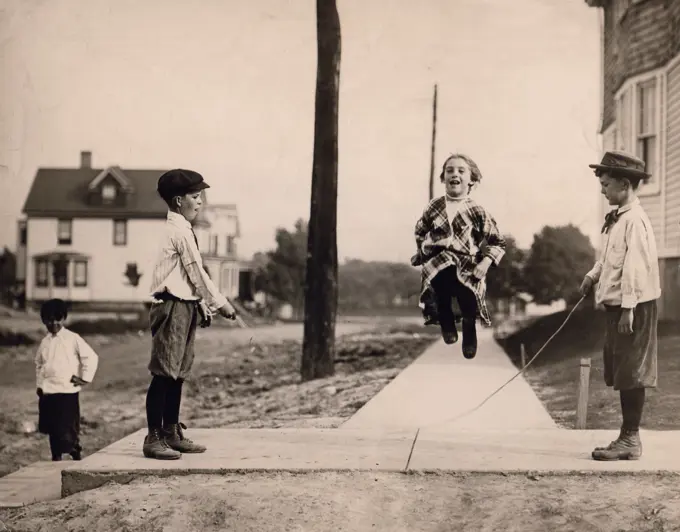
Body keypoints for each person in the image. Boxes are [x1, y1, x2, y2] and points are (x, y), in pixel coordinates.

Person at [143, 168, 238, 460]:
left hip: (184, 305)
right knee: (164, 372)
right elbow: (197, 272)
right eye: (196, 197)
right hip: (170, 306)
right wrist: (220, 302)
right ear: (177, 200)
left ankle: (171, 432)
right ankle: (153, 436)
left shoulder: (185, 228)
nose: (201, 203)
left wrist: (200, 305)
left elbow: (188, 279)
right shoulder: (177, 231)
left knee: (178, 373)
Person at [580, 150, 661, 461]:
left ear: (624, 184)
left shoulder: (635, 221)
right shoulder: (620, 219)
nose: (602, 189)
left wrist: (628, 308)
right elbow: (610, 258)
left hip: (635, 306)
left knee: (632, 371)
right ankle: (628, 437)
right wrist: (592, 276)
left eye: (606, 184)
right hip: (622, 306)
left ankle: (630, 439)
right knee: (620, 369)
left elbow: (635, 268)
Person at [412, 153, 506, 358]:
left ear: (471, 180)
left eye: (461, 171)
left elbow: (497, 241)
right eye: (450, 170)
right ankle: (446, 323)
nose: (455, 174)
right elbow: (420, 230)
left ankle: (469, 335)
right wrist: (424, 251)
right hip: (438, 259)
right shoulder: (434, 206)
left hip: (466, 261)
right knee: (441, 289)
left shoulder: (477, 210)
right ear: (443, 178)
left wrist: (486, 262)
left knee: (468, 298)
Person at [35, 298, 99, 461]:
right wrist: (40, 385)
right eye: (49, 320)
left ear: (63, 319)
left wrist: (84, 378)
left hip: (67, 391)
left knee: (68, 426)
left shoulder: (72, 338)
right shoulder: (44, 342)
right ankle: (56, 455)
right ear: (44, 320)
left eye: (58, 319)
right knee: (52, 426)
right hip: (49, 391)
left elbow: (90, 357)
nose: (54, 323)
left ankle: (74, 450)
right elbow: (39, 364)